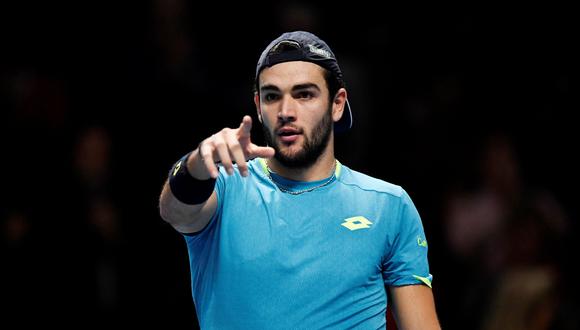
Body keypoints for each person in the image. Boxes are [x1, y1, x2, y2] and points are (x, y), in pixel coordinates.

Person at [159, 31, 440, 329]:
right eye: (272, 96)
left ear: (337, 103)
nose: (285, 112)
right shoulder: (224, 187)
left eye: (304, 94)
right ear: (257, 105)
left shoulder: (389, 205)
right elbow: (174, 211)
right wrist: (198, 162)